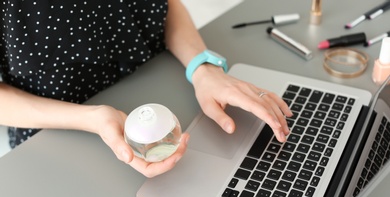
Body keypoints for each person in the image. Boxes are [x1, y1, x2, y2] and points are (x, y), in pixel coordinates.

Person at [0, 0, 292, 178]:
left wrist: (202, 67)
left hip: (160, 81)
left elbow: (164, 6)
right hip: (55, 132)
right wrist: (93, 119)